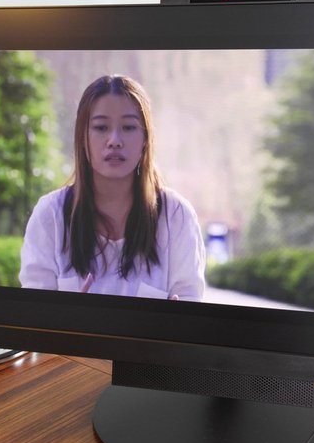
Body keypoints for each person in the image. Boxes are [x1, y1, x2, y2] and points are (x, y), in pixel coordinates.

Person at [19, 75, 206, 301]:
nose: (114, 140)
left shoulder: (176, 216)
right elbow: (35, 319)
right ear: (82, 137)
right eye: (101, 127)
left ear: (145, 138)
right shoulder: (50, 214)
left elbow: (189, 307)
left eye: (128, 127)